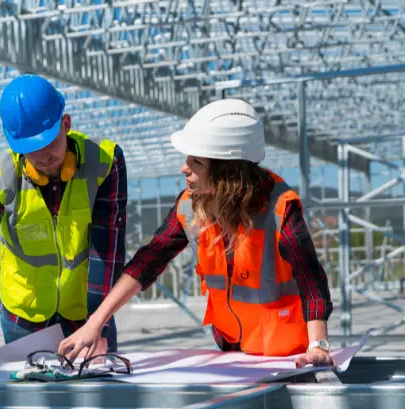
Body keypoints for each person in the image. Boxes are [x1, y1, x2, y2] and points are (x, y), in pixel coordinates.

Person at [58, 98, 335, 369]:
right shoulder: (189, 205)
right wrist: (94, 324)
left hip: (288, 357)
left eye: (196, 162)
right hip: (233, 354)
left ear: (227, 173)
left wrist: (318, 346)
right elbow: (147, 262)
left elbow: (311, 279)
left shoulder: (279, 208)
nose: (184, 167)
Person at [0, 74, 127, 376]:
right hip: (23, 320)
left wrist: (98, 325)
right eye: (31, 147)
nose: (43, 155)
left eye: (49, 142)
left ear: (66, 124)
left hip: (87, 311)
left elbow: (106, 254)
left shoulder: (104, 162)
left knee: (99, 397)